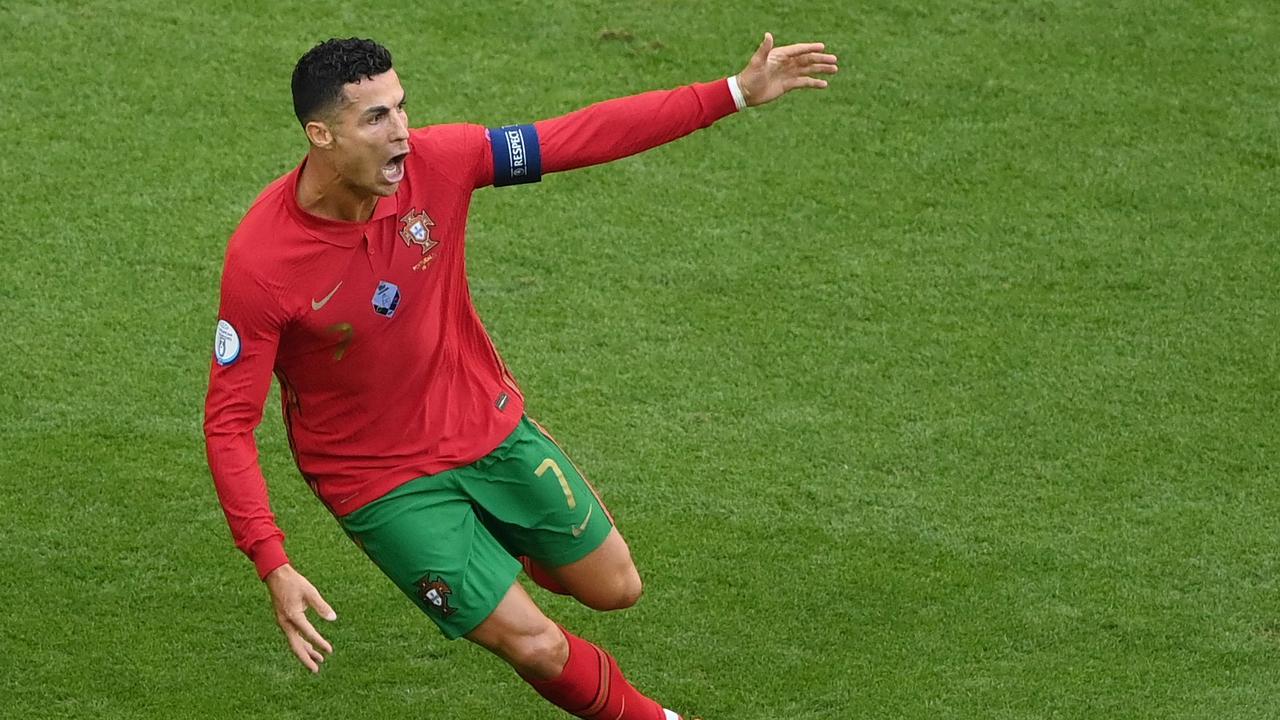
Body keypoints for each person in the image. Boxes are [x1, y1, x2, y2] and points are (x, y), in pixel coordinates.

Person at [204, 34, 836, 720]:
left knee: (616, 587)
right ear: (320, 134)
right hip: (378, 480)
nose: (402, 134)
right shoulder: (263, 262)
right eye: (376, 119)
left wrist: (735, 92)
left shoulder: (442, 161)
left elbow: (580, 136)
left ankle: (489, 539)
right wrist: (272, 560)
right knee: (538, 645)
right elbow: (230, 423)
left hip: (481, 421)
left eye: (402, 108)